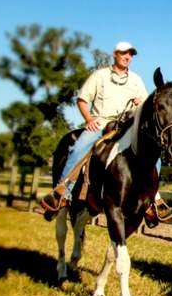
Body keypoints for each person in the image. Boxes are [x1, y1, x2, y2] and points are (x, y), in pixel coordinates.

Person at [41, 41, 152, 219]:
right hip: (101, 124)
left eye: (131, 54)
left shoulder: (136, 80)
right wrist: (89, 119)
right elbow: (82, 99)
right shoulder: (99, 76)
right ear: (115, 54)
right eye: (124, 53)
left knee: (153, 153)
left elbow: (146, 108)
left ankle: (153, 201)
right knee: (79, 148)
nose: (128, 57)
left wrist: (141, 105)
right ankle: (62, 192)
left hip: (126, 127)